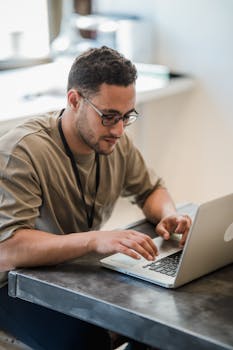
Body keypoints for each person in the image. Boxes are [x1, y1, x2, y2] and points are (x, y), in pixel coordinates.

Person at [0, 46, 192, 350]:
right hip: (12, 283)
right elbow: (8, 250)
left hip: (71, 273)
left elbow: (151, 189)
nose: (118, 130)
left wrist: (168, 213)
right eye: (109, 116)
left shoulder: (113, 141)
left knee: (159, 326)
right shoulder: (22, 151)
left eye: (127, 117)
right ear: (74, 100)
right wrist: (93, 240)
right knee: (86, 340)